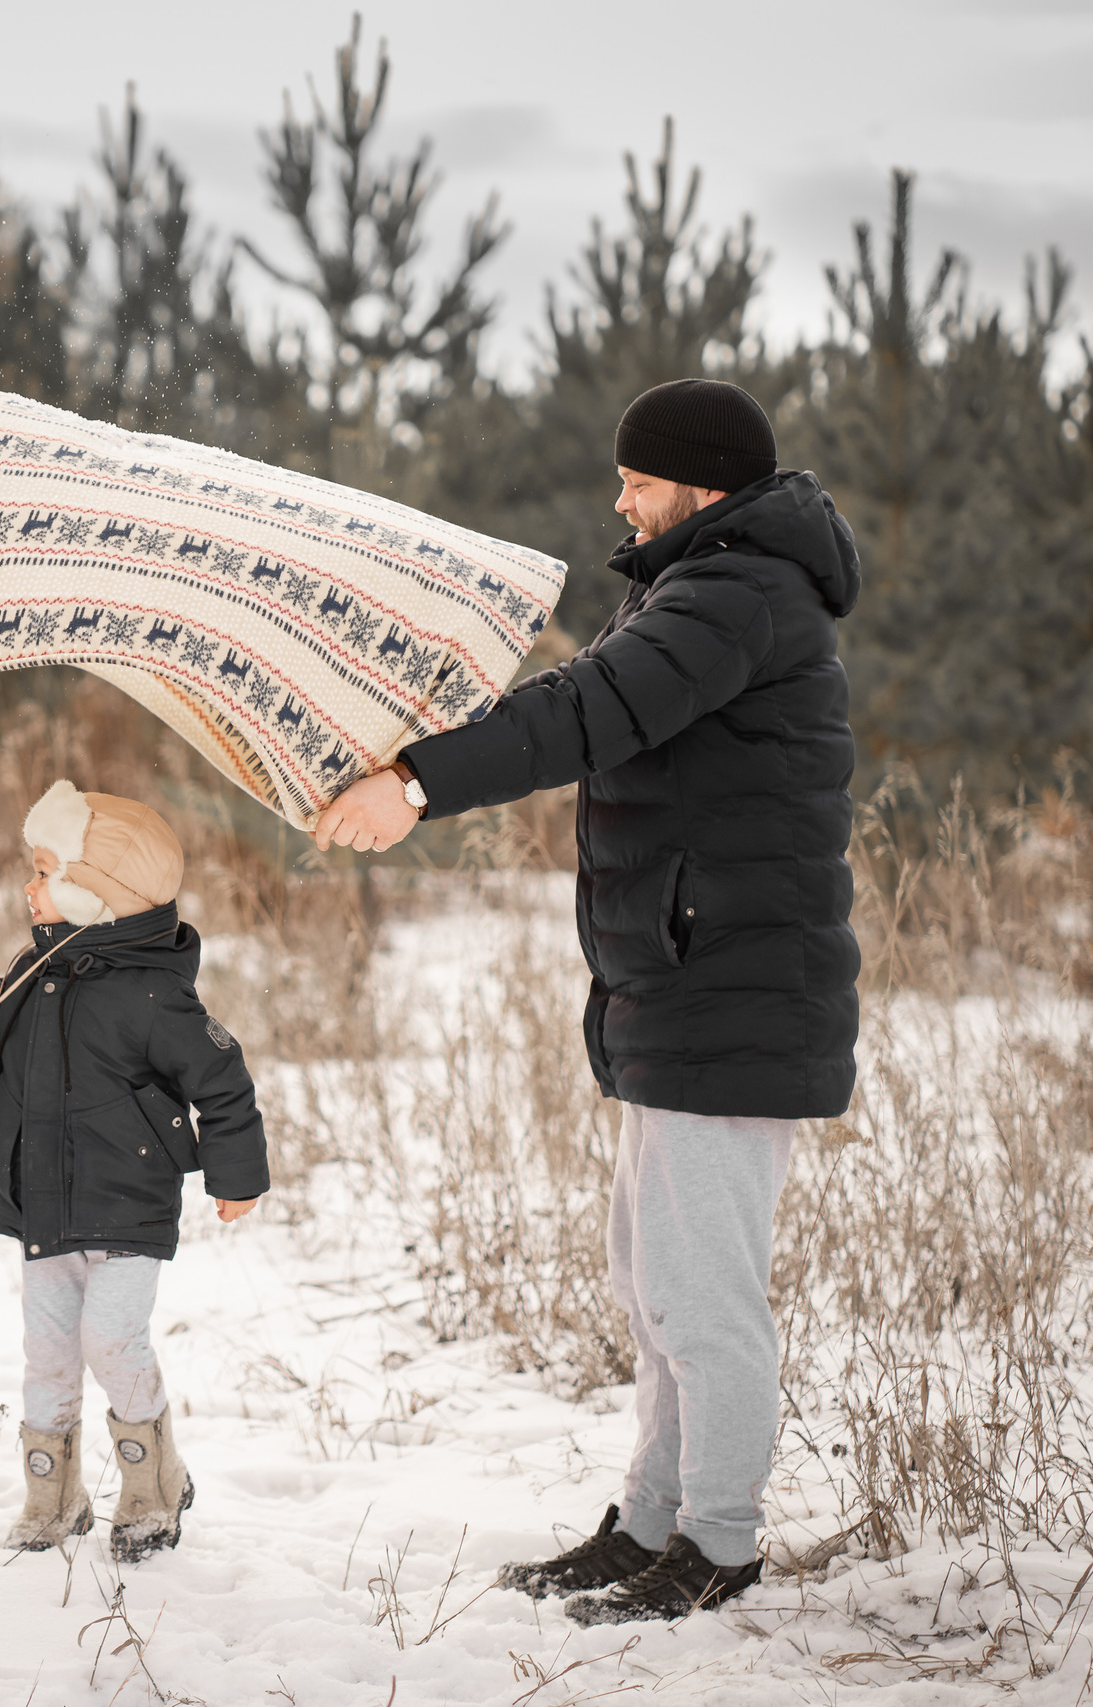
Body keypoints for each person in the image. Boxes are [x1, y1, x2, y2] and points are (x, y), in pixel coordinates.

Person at [313, 378, 861, 1623]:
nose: (617, 497)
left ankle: (715, 1546)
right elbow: (589, 698)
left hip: (727, 993)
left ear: (703, 485)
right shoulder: (698, 584)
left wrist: (416, 785)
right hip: (687, 989)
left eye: (637, 478)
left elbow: (590, 709)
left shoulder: (736, 593)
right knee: (652, 1279)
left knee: (700, 1294)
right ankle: (651, 1520)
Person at [0, 780, 267, 1564]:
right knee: (48, 1351)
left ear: (97, 889)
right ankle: (53, 1497)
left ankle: (155, 1487)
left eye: (47, 868)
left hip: (128, 1204)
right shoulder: (34, 969)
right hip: (43, 1206)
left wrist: (237, 1175)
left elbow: (223, 1078)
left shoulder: (155, 994)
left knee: (112, 1340)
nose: (29, 884)